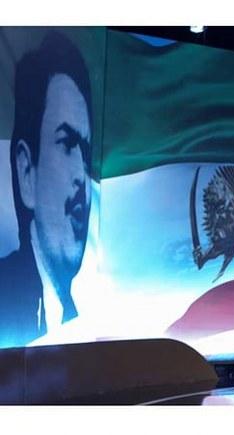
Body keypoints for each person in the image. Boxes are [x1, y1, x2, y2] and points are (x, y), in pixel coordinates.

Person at [0, 32, 93, 348]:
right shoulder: (5, 295)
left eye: (86, 152)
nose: (82, 177)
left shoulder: (91, 320)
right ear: (26, 170)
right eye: (67, 144)